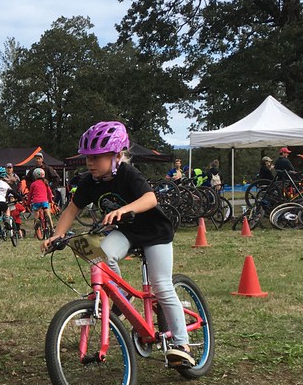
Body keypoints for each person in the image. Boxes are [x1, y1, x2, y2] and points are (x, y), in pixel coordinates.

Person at [42, 121, 193, 368]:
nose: (90, 163)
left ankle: (181, 344)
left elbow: (150, 198)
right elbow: (71, 209)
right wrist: (57, 235)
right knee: (102, 253)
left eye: (97, 157)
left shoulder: (128, 174)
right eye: (88, 157)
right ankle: (122, 297)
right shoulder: (90, 181)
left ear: (117, 156)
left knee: (162, 286)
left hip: (155, 233)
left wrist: (125, 209)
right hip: (127, 233)